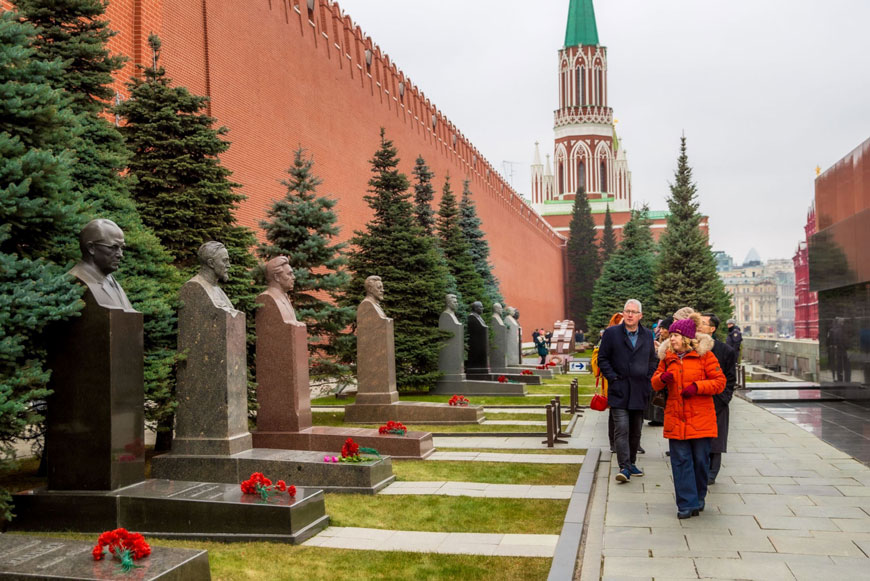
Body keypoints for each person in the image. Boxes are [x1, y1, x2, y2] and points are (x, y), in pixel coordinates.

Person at [652, 314, 725, 519]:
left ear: (685, 337)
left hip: (700, 419)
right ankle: (686, 503)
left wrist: (697, 387)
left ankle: (699, 497)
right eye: (671, 335)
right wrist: (662, 379)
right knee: (680, 462)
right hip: (676, 418)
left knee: (700, 462)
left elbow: (719, 382)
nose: (670, 338)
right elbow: (654, 382)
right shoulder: (667, 358)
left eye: (675, 335)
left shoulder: (705, 357)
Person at [597, 299, 658, 483]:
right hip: (619, 389)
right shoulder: (611, 333)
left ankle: (631, 463)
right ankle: (624, 466)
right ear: (623, 313)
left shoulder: (647, 335)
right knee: (621, 428)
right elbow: (603, 358)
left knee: (635, 430)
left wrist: (648, 377)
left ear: (640, 315)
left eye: (633, 312)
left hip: (640, 390)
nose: (630, 315)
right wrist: (613, 378)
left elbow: (652, 359)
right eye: (627, 311)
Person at [699, 313, 736, 485]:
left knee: (716, 437)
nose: (699, 325)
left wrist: (723, 399)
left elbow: (730, 378)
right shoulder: (692, 347)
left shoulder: (725, 350)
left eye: (703, 323)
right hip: (697, 399)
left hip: (717, 401)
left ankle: (712, 472)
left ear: (712, 329)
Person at [69, 218, 135, 310]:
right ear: (91, 248)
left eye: (121, 248)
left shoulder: (111, 281)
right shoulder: (78, 281)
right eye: (113, 247)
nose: (120, 255)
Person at [590, 312, 623, 453]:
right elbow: (600, 360)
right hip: (612, 380)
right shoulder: (607, 338)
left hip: (627, 381)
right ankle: (614, 443)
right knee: (615, 412)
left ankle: (629, 442)